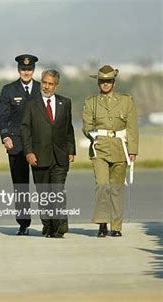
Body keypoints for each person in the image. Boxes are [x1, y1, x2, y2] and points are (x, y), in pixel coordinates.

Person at [82, 65, 138, 237]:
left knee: (116, 188)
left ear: (114, 82)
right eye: (102, 81)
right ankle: (102, 223)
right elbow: (86, 126)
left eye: (108, 81)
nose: (105, 84)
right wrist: (95, 138)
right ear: (98, 83)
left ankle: (116, 226)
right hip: (99, 148)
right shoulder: (91, 102)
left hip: (120, 147)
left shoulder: (126, 100)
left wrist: (133, 149)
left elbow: (132, 126)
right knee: (102, 185)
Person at [20, 69, 76, 238]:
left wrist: (71, 150)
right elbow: (25, 129)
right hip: (39, 156)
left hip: (60, 156)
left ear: (56, 86)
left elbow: (68, 128)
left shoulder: (65, 103)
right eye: (44, 82)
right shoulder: (31, 103)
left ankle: (60, 225)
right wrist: (28, 152)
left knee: (58, 192)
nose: (46, 86)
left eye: (50, 84)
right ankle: (48, 224)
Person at [0, 54, 40, 235]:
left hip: (38, 143)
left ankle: (48, 221)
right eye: (23, 69)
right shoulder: (8, 90)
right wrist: (5, 137)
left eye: (29, 69)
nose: (26, 72)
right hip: (16, 144)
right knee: (20, 185)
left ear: (33, 70)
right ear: (18, 70)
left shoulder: (41, 88)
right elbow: (1, 116)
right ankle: (23, 223)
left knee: (42, 184)